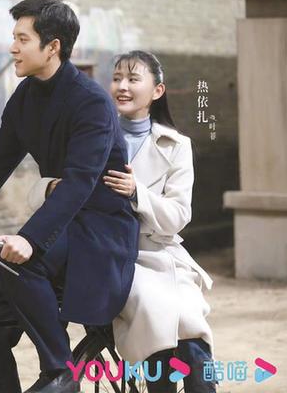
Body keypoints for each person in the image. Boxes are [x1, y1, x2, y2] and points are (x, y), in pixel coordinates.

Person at [0, 0, 139, 393]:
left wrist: (30, 239)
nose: (12, 48)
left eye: (22, 39)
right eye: (13, 38)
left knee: (21, 260)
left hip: (99, 229)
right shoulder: (26, 96)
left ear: (53, 47)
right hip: (60, 222)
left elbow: (80, 181)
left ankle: (61, 371)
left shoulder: (91, 102)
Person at [29, 50, 216, 393]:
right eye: (116, 79)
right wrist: (54, 187)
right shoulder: (89, 130)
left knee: (190, 322)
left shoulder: (176, 146)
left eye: (133, 79)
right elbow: (41, 188)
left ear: (157, 91)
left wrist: (136, 192)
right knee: (156, 312)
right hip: (106, 253)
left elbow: (178, 216)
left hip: (159, 253)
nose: (122, 87)